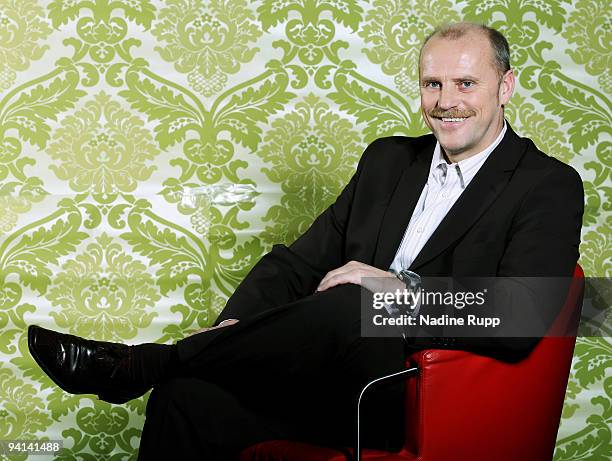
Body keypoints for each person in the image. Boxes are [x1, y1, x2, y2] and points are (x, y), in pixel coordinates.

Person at [28, 22, 583, 460]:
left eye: (466, 83)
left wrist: (396, 291)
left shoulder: (547, 185)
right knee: (185, 401)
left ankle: (146, 364)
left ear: (505, 86)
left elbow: (523, 313)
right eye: (431, 83)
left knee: (359, 299)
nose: (446, 101)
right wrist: (232, 325)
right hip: (318, 377)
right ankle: (168, 372)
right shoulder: (389, 160)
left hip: (414, 395)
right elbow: (297, 264)